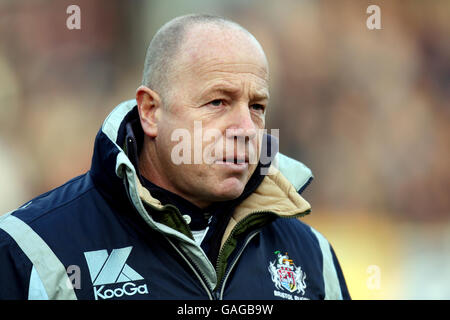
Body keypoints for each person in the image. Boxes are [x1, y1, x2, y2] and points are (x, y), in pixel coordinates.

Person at [0, 14, 350, 300]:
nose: (246, 127)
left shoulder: (312, 258)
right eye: (218, 102)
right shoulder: (31, 249)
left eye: (257, 106)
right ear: (151, 111)